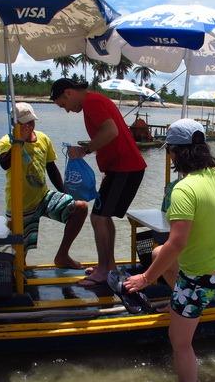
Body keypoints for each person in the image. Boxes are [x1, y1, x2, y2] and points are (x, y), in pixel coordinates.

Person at [123, 119, 215, 382]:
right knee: (156, 253)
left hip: (201, 278)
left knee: (180, 343)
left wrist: (145, 279)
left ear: (175, 153)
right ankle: (181, 301)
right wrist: (211, 238)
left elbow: (177, 243)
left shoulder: (184, 189)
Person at [50, 78, 147, 286]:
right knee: (102, 216)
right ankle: (108, 266)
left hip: (125, 167)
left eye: (63, 105)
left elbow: (111, 132)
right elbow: (109, 133)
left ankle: (104, 271)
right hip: (121, 168)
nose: (66, 110)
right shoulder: (94, 101)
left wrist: (85, 150)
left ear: (68, 93)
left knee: (98, 218)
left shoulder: (92, 102)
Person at [0, 102, 87, 268]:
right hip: (19, 204)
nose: (29, 125)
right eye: (24, 122)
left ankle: (62, 256)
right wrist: (19, 142)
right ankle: (19, 271)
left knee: (80, 208)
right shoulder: (6, 141)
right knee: (20, 255)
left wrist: (65, 192)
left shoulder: (43, 138)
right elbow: (4, 163)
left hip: (43, 198)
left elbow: (51, 168)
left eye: (31, 121)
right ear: (15, 124)